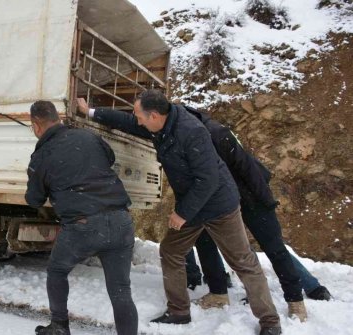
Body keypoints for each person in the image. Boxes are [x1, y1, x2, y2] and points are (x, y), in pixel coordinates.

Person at [78, 90, 281, 335]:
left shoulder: (191, 132)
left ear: (154, 115)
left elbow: (207, 179)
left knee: (243, 261)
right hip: (193, 204)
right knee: (171, 251)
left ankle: (270, 322)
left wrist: (182, 214)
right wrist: (90, 112)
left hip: (219, 205)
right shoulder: (160, 125)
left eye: (140, 116)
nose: (138, 120)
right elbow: (129, 122)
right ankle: (179, 312)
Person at [179, 106, 331, 320]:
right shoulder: (197, 135)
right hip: (225, 199)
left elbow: (248, 169)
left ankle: (303, 294)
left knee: (271, 245)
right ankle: (223, 290)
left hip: (251, 197)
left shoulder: (216, 134)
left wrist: (265, 202)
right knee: (222, 243)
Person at [26, 101, 138, 335]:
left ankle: (59, 327)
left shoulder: (41, 156)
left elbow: (34, 200)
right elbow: (108, 158)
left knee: (57, 271)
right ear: (58, 118)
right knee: (120, 290)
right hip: (120, 219)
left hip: (83, 225)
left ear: (36, 125)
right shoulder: (87, 137)